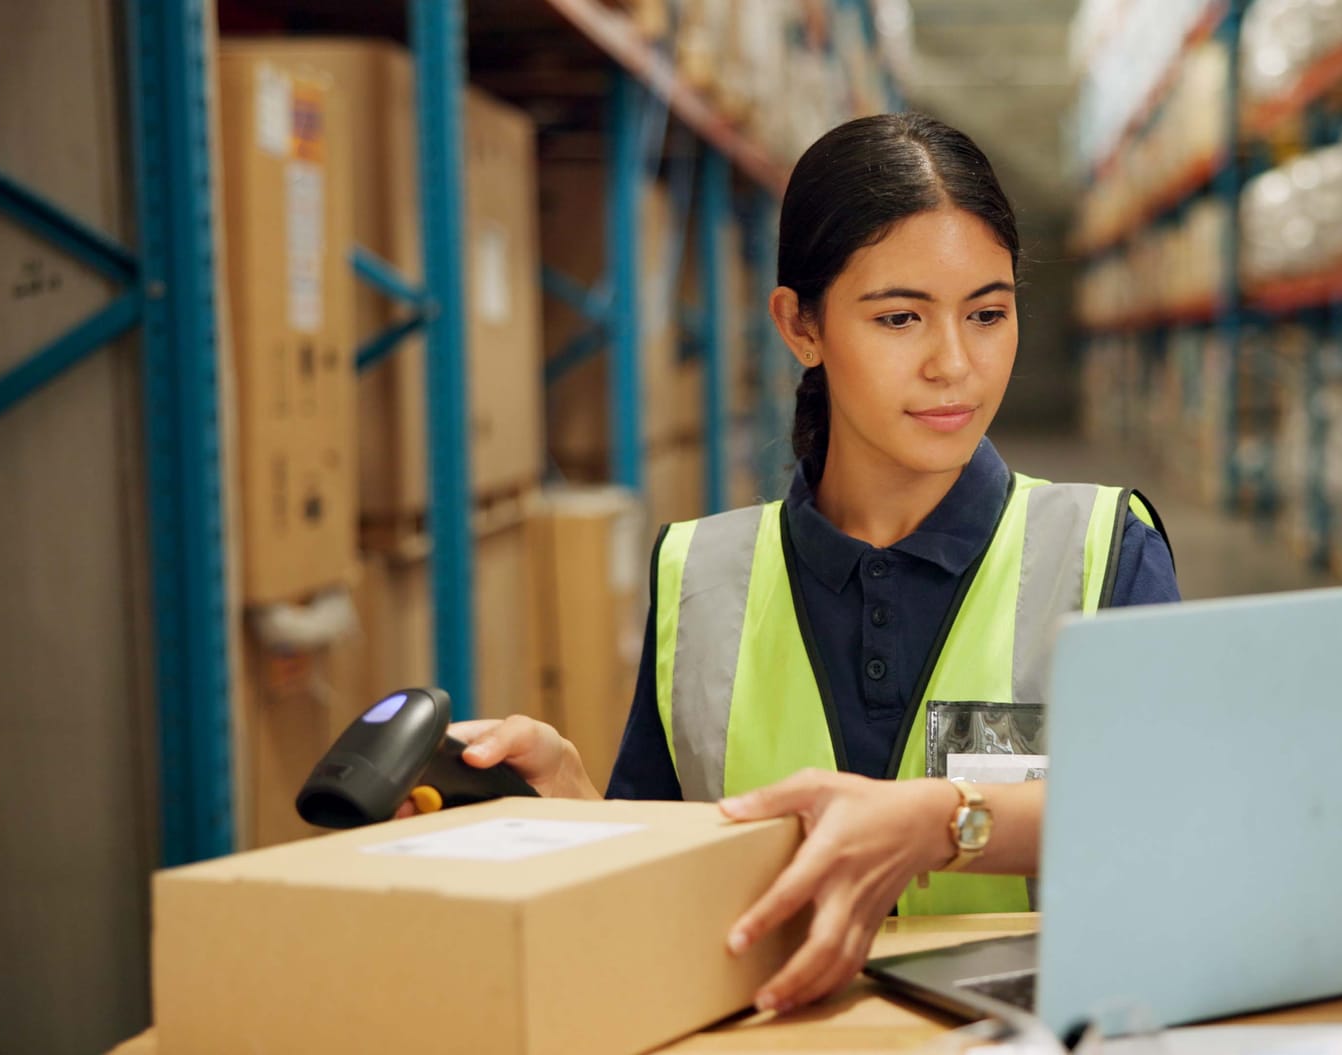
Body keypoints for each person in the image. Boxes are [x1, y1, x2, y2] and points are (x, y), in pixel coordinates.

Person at [432, 113, 1179, 1013]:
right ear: (800, 324)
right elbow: (670, 876)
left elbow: (1170, 830)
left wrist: (944, 825)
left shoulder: (1103, 550)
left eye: (988, 312)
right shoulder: (701, 573)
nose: (956, 363)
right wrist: (564, 803)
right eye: (901, 317)